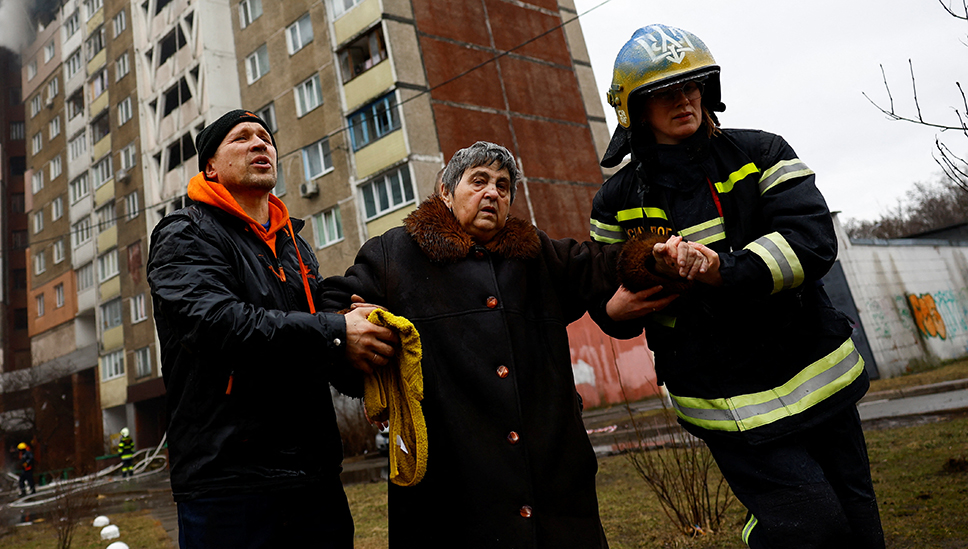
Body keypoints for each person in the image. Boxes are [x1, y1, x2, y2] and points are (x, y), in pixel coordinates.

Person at [590, 24, 885, 549]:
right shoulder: (614, 201)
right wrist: (615, 310)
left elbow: (811, 241)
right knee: (812, 527)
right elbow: (606, 290)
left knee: (859, 528)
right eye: (664, 92)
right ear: (632, 109)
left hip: (818, 374)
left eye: (692, 85)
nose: (684, 99)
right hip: (723, 398)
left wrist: (721, 270)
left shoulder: (762, 151)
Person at [323, 141, 656, 548]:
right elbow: (334, 309)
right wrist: (355, 330)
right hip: (451, 488)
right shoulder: (393, 254)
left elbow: (602, 264)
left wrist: (655, 258)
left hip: (552, 484)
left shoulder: (537, 253)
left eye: (503, 185)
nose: (493, 192)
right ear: (445, 192)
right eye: (478, 181)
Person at [147, 109, 398, 549]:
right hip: (229, 484)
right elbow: (218, 325)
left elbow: (316, 344)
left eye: (265, 137)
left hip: (314, 477)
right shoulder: (185, 234)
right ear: (210, 166)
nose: (260, 144)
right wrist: (338, 332)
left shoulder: (293, 246)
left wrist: (365, 342)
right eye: (241, 138)